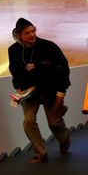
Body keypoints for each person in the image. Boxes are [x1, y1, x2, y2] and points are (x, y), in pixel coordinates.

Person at [8, 18, 71, 163]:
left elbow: (63, 68)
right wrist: (19, 86)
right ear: (19, 35)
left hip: (49, 89)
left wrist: (61, 91)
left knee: (54, 122)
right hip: (29, 92)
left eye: (33, 31)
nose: (32, 35)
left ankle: (64, 137)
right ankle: (40, 153)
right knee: (28, 121)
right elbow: (14, 71)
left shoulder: (48, 47)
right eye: (27, 33)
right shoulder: (14, 50)